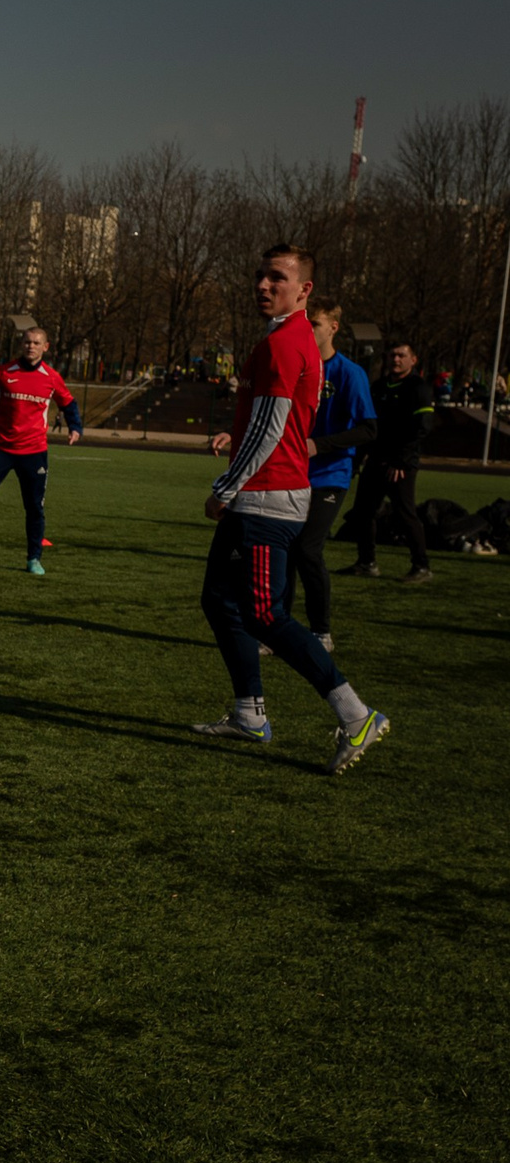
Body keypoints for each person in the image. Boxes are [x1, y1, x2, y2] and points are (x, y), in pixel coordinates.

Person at [190, 244, 390, 773]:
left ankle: (356, 714)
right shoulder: (283, 338)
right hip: (262, 495)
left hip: (266, 499)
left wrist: (226, 488)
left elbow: (269, 429)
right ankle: (249, 713)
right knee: (219, 600)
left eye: (276, 277)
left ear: (304, 291)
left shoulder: (285, 342)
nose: (263, 284)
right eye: (260, 275)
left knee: (264, 614)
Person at [0, 324, 81, 576]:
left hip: (34, 451)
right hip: (0, 447)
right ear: (21, 345)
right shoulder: (4, 372)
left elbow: (68, 403)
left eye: (36, 343)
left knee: (34, 507)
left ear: (45, 347)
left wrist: (75, 426)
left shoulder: (51, 377)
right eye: (26, 342)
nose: (30, 346)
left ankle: (34, 558)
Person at [292, 303, 376, 649]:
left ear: (333, 328)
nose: (309, 330)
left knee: (307, 549)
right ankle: (274, 631)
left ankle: (321, 631)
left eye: (315, 324)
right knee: (284, 549)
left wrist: (320, 445)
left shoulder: (348, 373)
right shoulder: (299, 368)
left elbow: (369, 429)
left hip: (330, 474)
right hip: (293, 474)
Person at [344, 341, 435, 584]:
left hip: (401, 465)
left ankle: (421, 566)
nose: (396, 360)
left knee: (405, 515)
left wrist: (402, 461)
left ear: (413, 360)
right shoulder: (378, 387)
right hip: (375, 461)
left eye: (402, 355)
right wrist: (357, 459)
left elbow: (422, 428)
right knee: (363, 513)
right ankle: (367, 563)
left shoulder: (419, 388)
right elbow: (368, 428)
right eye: (392, 355)